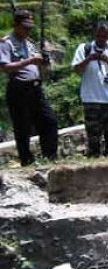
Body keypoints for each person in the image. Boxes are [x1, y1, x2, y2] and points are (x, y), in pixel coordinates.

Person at [0, 10, 58, 166]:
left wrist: (45, 59)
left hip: (35, 87)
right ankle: (26, 160)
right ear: (16, 25)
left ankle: (50, 157)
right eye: (25, 27)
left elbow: (40, 63)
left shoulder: (30, 43)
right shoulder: (6, 43)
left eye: (30, 28)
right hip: (19, 88)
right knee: (22, 127)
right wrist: (29, 61)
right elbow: (5, 67)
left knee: (49, 121)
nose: (28, 31)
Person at [72, 20, 108, 157]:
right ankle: (94, 164)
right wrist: (89, 59)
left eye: (104, 36)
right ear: (94, 34)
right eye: (98, 36)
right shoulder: (84, 49)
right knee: (93, 138)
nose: (101, 39)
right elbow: (77, 70)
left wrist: (107, 60)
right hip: (91, 100)